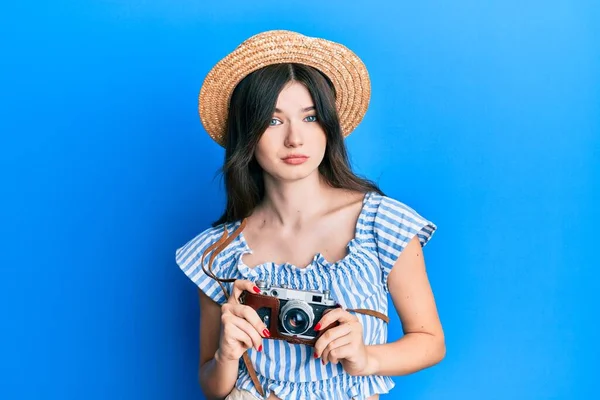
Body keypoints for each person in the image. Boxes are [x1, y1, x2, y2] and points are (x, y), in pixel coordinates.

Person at [175, 30, 445, 400]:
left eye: (310, 117)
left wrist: (365, 358)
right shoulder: (216, 251)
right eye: (272, 121)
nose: (294, 139)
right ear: (247, 135)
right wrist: (226, 353)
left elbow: (430, 341)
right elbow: (211, 386)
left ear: (329, 126)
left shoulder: (383, 222)